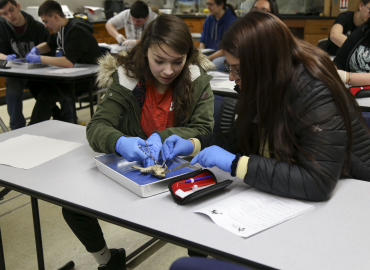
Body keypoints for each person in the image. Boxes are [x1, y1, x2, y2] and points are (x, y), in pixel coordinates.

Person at [162, 11, 370, 203]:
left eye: (239, 70)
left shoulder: (315, 90)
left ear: (264, 64)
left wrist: (238, 165)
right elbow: (242, 139)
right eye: (229, 68)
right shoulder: (267, 81)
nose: (232, 77)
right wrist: (192, 144)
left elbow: (318, 181)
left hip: (354, 192)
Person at [62, 14, 215, 270]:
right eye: (159, 61)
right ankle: (108, 261)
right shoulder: (126, 79)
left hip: (179, 170)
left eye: (177, 62)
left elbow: (203, 129)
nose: (168, 71)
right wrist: (120, 142)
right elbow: (97, 126)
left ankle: (199, 264)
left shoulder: (196, 79)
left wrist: (163, 137)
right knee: (73, 207)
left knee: (199, 212)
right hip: (134, 171)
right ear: (145, 52)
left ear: (187, 57)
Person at [25, 0, 101, 125]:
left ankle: (32, 129)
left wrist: (40, 58)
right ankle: (59, 118)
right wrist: (36, 50)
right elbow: (49, 44)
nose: (45, 25)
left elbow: (68, 62)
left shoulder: (76, 31)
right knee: (34, 84)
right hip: (73, 75)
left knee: (47, 94)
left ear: (55, 17)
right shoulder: (62, 30)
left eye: (46, 21)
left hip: (88, 78)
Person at [0, 0, 50, 129]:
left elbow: (50, 47)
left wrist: (39, 55)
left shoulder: (38, 27)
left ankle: (65, 118)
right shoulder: (1, 28)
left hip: (39, 70)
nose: (10, 16)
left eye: (11, 10)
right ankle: (17, 128)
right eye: (4, 13)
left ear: (18, 6)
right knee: (13, 90)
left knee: (54, 88)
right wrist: (7, 58)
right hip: (15, 72)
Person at [199, 0, 237, 71]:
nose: (208, 7)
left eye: (210, 4)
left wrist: (207, 59)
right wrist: (201, 55)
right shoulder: (208, 20)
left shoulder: (232, 22)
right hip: (209, 53)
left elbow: (226, 49)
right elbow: (202, 40)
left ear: (221, 5)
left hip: (224, 55)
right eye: (207, 4)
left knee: (212, 66)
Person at [334, 18, 370, 87]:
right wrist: (330, 71)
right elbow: (340, 60)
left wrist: (347, 77)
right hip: (350, 91)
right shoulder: (363, 31)